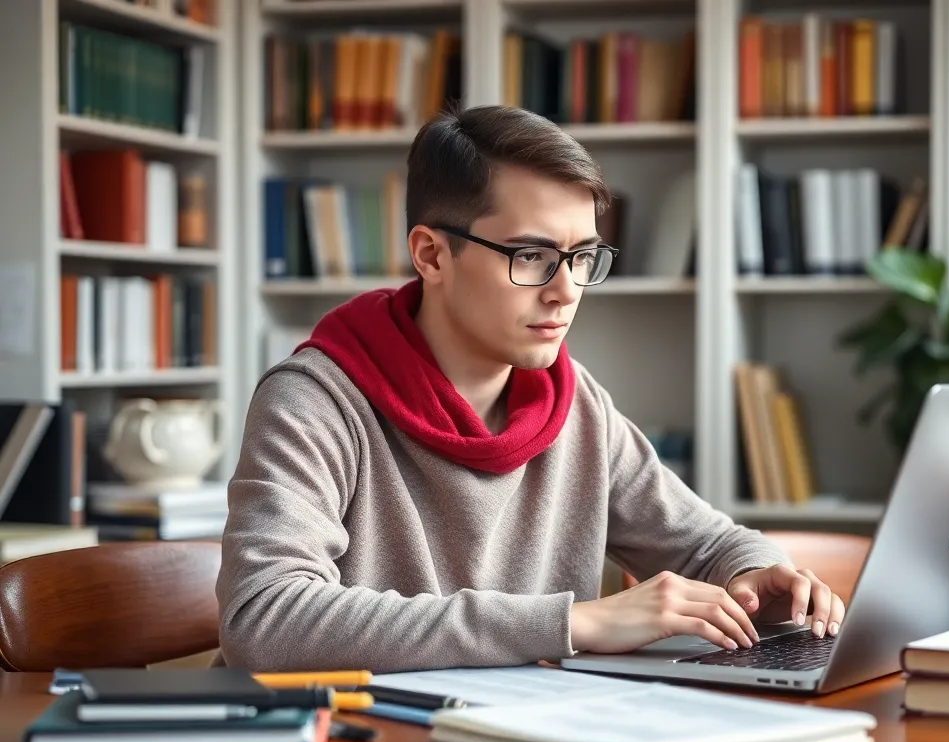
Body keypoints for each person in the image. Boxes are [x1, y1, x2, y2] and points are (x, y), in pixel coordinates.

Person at [215, 105, 846, 673]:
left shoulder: (574, 404)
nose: (566, 289)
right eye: (531, 256)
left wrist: (757, 573)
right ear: (432, 255)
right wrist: (572, 623)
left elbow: (704, 543)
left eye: (581, 258)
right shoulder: (314, 402)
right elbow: (265, 619)